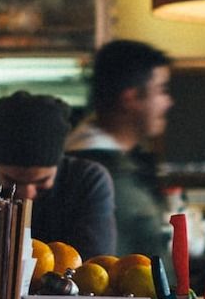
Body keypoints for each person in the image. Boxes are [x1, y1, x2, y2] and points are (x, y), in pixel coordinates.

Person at [0, 90, 116, 260]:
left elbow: (93, 262)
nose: (28, 193)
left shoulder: (87, 180)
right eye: (12, 181)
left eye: (42, 181)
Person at [65, 39, 173, 261]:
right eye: (161, 90)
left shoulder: (110, 163)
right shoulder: (101, 172)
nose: (168, 102)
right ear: (130, 98)